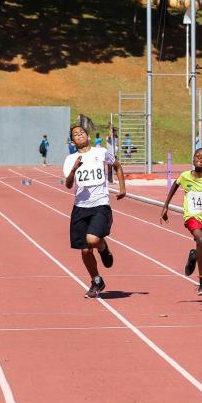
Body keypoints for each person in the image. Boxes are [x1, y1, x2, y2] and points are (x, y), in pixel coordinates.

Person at [63, 125, 127, 298]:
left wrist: (122, 188)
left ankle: (103, 247)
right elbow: (68, 184)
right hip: (80, 207)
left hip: (100, 204)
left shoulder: (101, 152)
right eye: (75, 134)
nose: (79, 135)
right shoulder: (71, 159)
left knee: (92, 239)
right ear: (72, 140)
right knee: (85, 251)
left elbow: (117, 165)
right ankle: (96, 280)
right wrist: (74, 169)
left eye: (81, 133)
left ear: (88, 136)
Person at [159, 148, 202, 295]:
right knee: (201, 239)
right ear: (192, 159)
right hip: (192, 216)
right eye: (197, 156)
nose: (199, 158)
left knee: (201, 250)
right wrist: (166, 206)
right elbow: (176, 185)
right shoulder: (185, 176)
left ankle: (193, 255)